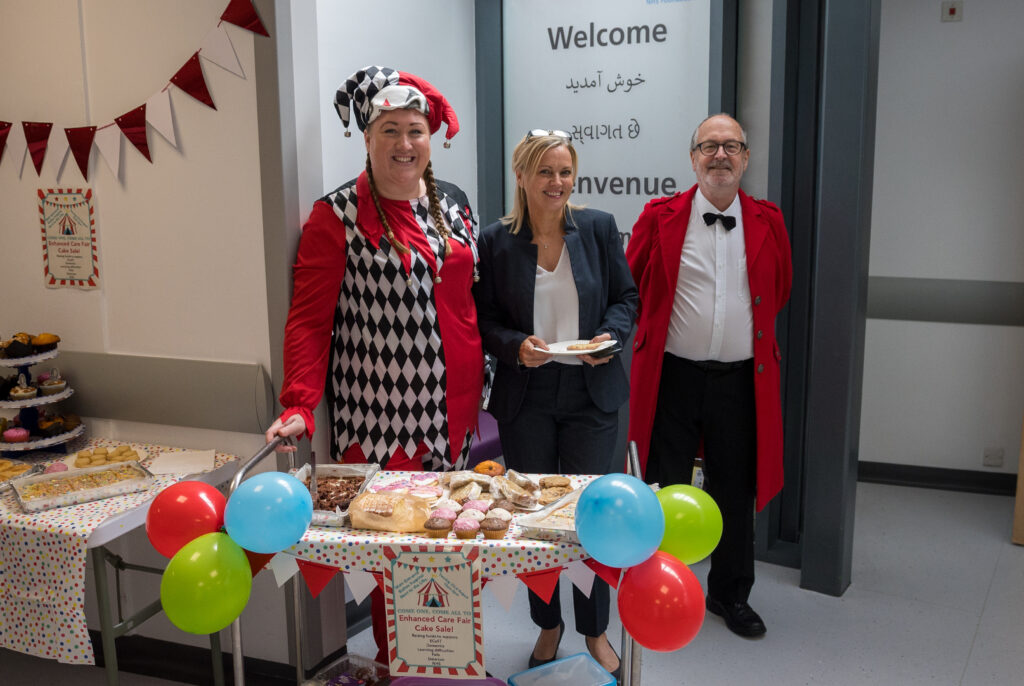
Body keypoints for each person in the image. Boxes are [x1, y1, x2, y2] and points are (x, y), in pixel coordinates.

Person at [265, 66, 485, 664]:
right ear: (367, 136)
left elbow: (471, 299)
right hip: (385, 420)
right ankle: (403, 669)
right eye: (390, 129)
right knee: (398, 558)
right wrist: (299, 404)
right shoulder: (334, 216)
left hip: (457, 416)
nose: (405, 143)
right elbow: (310, 320)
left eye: (415, 129)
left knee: (448, 547)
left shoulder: (454, 204)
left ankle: (443, 666)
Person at [474, 130, 638, 676]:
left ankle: (594, 631)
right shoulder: (496, 241)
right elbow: (486, 320)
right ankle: (548, 624)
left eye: (565, 172)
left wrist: (610, 338)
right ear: (521, 176)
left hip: (592, 392)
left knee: (590, 518)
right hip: (529, 396)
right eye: (545, 172)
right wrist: (514, 347)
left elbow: (625, 299)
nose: (557, 182)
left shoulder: (596, 228)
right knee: (534, 520)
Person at [626, 114, 792, 638]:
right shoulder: (658, 217)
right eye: (709, 146)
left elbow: (779, 291)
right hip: (672, 377)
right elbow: (633, 284)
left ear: (745, 157)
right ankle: (659, 585)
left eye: (731, 146)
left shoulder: (768, 221)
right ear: (693, 156)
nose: (720, 155)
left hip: (742, 381)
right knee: (664, 481)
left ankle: (729, 594)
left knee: (734, 488)